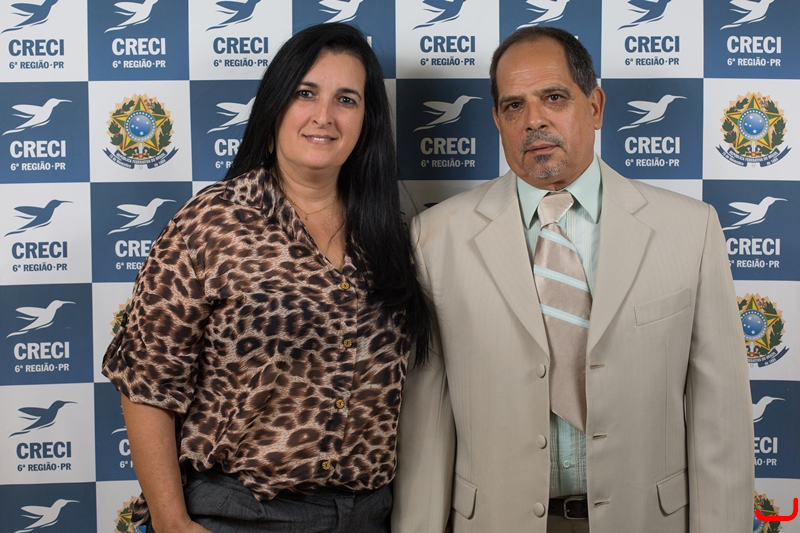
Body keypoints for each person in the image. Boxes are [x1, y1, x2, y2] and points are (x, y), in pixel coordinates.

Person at [391, 26, 753, 533]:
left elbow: (723, 422)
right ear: (497, 120)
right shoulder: (435, 238)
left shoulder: (690, 231)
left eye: (554, 98)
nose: (533, 120)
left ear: (596, 106)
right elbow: (426, 424)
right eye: (513, 106)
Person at [102, 23, 431, 533]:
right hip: (240, 513)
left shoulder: (391, 234)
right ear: (276, 104)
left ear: (367, 120)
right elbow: (147, 382)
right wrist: (170, 521)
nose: (324, 116)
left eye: (346, 99)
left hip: (370, 514)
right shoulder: (210, 223)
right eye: (306, 93)